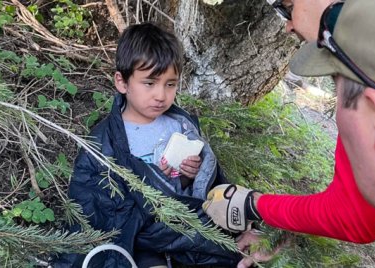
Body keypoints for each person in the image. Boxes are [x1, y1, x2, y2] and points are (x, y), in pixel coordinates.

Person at [205, 0, 375, 265]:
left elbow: (353, 216)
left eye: (288, 6)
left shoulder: (370, 67)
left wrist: (255, 205)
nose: (288, 25)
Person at [54, 22, 249, 268]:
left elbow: (197, 193)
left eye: (170, 84)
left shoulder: (180, 126)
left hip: (185, 231)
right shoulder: (106, 141)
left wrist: (190, 177)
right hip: (140, 240)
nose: (161, 95)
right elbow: (98, 206)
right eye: (149, 83)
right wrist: (152, 182)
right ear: (122, 82)